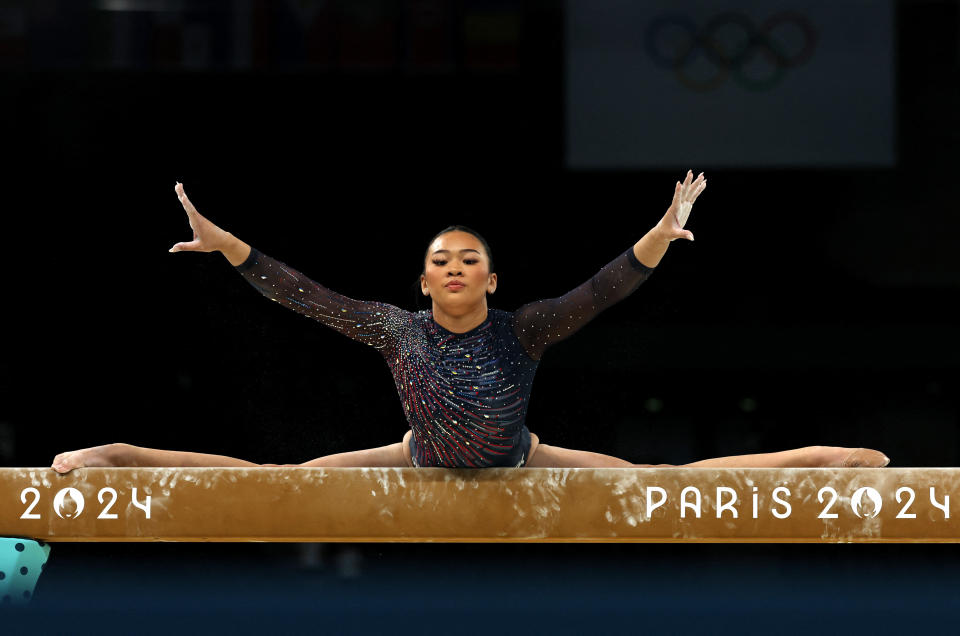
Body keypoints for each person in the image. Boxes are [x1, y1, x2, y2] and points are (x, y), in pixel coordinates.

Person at [51, 171, 889, 473]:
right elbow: (302, 294)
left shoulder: (521, 330)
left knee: (653, 482)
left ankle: (820, 457)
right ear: (422, 280)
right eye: (440, 261)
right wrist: (229, 243)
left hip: (522, 464)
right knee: (279, 479)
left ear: (492, 277)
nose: (454, 268)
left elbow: (602, 290)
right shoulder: (396, 329)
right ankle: (119, 453)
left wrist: (660, 237)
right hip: (415, 462)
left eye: (468, 259)